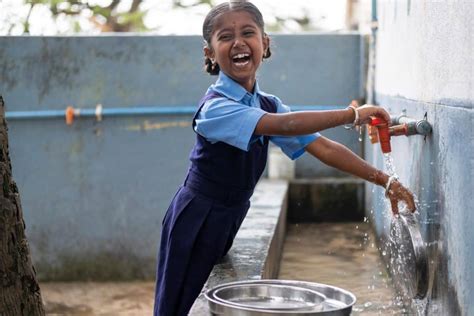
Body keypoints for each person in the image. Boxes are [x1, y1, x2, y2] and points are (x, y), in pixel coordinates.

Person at [153, 1, 416, 315]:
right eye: (225, 37)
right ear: (209, 52)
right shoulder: (216, 109)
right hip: (196, 218)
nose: (238, 42)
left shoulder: (266, 102)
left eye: (248, 32)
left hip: (230, 216)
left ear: (264, 44)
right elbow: (286, 126)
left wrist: (385, 180)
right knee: (177, 304)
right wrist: (352, 115)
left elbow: (325, 149)